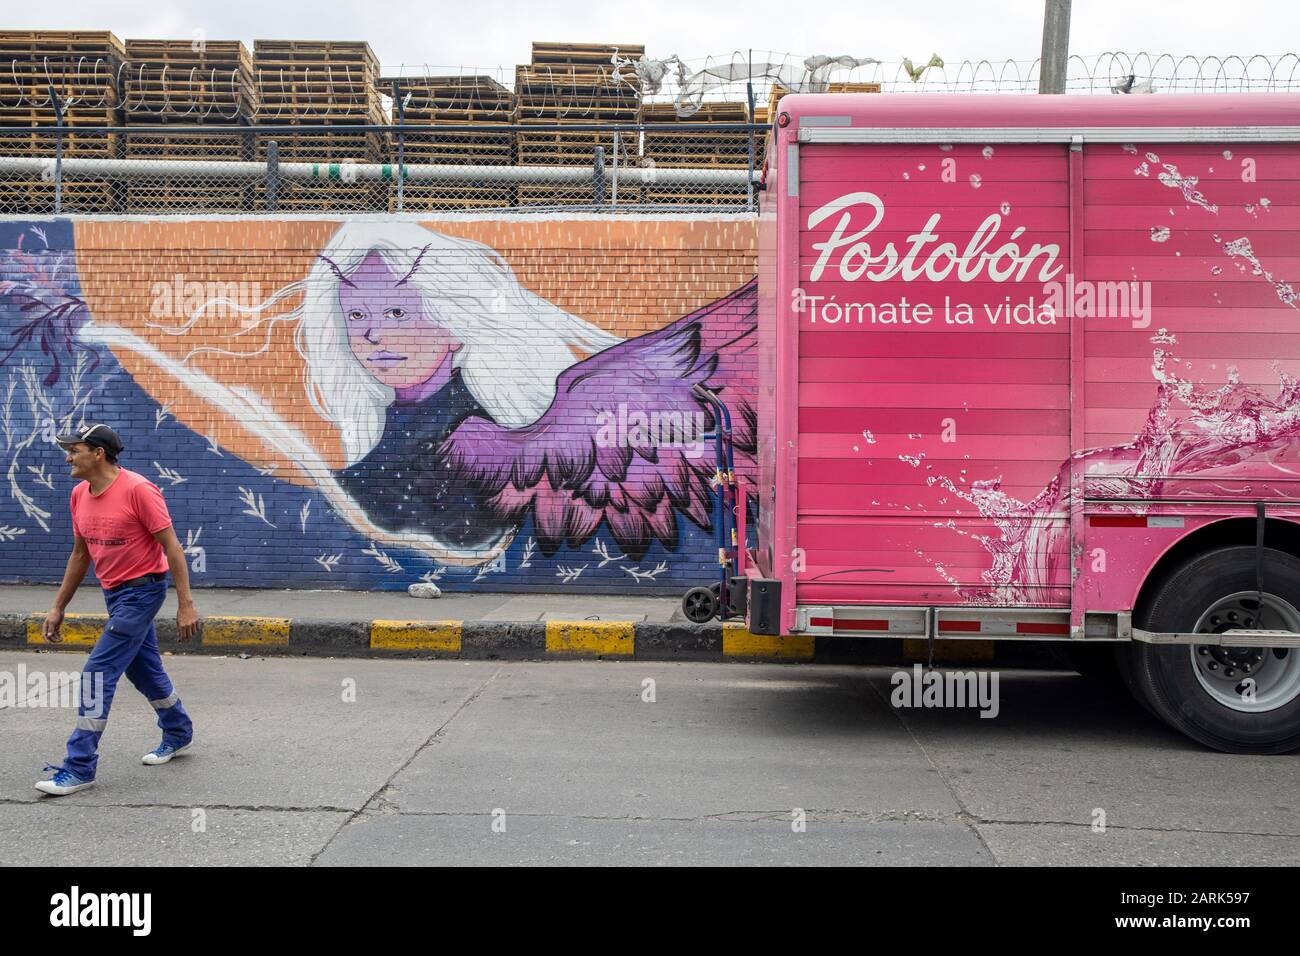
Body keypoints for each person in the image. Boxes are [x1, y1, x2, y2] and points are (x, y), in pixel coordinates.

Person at [35, 423, 200, 796]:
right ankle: (178, 730)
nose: (68, 457)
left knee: (97, 673)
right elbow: (80, 554)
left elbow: (172, 547)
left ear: (98, 453)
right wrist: (57, 607)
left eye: (74, 450)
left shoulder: (139, 490)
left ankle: (79, 767)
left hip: (143, 592)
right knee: (144, 672)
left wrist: (185, 604)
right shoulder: (79, 494)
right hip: (114, 594)